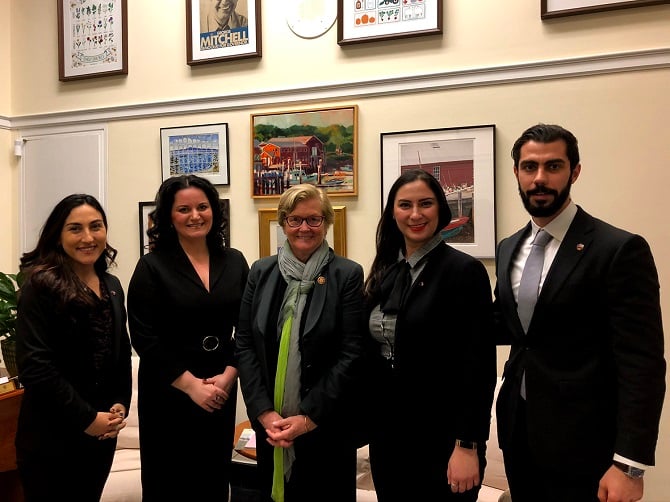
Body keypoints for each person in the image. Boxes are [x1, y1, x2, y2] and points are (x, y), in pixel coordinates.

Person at [494, 123, 666, 502]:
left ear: (575, 172)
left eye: (553, 166)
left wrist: (629, 464)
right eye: (529, 167)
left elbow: (643, 363)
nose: (539, 178)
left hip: (588, 447)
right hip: (518, 435)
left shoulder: (618, 249)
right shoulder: (509, 248)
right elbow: (510, 328)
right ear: (517, 173)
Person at [362, 169, 497, 501]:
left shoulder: (464, 271)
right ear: (393, 212)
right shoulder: (385, 270)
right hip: (389, 435)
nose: (415, 214)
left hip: (443, 438)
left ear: (441, 209)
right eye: (405, 205)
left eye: (426, 203)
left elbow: (478, 366)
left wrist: (467, 445)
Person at [236, 183, 366, 502]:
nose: (304, 228)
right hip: (273, 426)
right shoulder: (260, 272)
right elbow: (244, 344)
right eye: (294, 220)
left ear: (326, 223)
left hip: (326, 426)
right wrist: (264, 413)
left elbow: (351, 353)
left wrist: (308, 418)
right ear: (283, 223)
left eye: (314, 219)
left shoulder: (346, 274)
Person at [127, 174, 249, 501]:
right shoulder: (151, 266)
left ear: (215, 211)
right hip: (169, 387)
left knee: (212, 477)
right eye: (184, 209)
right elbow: (143, 335)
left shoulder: (235, 261)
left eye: (202, 207)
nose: (195, 216)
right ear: (169, 216)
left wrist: (227, 377)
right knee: (169, 480)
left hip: (220, 382)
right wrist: (191, 385)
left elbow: (249, 326)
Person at [15, 194, 132, 501]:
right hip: (51, 439)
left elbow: (120, 352)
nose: (88, 237)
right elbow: (36, 368)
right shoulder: (39, 286)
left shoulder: (112, 286)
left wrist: (120, 403)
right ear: (58, 235)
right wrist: (87, 419)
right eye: (75, 229)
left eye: (96, 226)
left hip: (101, 436)